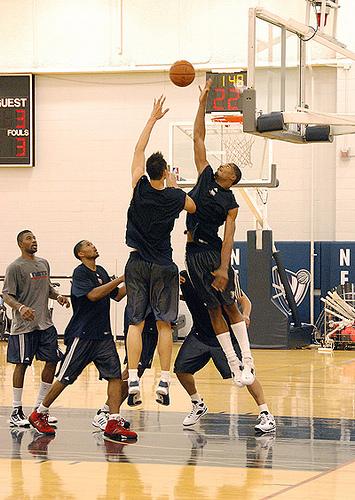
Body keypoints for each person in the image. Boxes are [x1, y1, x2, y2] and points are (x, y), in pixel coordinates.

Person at [28, 240, 137, 443]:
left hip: (103, 335)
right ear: (80, 253)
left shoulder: (102, 271)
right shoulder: (80, 273)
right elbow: (94, 295)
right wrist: (122, 277)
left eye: (93, 244)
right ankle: (39, 413)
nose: (94, 246)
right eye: (88, 245)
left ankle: (113, 420)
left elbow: (118, 295)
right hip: (83, 335)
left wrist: (136, 280)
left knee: (114, 376)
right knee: (65, 377)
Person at [125, 95, 196, 407]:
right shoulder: (173, 197)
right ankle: (164, 381)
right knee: (165, 324)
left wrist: (153, 117)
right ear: (165, 171)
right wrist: (175, 185)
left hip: (137, 262)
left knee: (135, 324)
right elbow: (193, 206)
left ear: (147, 171)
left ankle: (132, 378)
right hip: (163, 264)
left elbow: (139, 150)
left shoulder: (138, 186)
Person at [185, 79, 255, 386]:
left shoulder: (230, 201)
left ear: (232, 178)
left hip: (213, 252)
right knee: (212, 309)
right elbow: (198, 137)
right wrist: (202, 102)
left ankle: (248, 363)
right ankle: (233, 364)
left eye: (227, 165)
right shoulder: (204, 175)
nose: (221, 163)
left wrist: (224, 268)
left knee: (229, 305)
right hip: (192, 252)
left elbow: (228, 238)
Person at [175, 271, 276, 434]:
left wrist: (245, 315)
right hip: (200, 334)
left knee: (247, 377)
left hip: (226, 336)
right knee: (181, 370)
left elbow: (245, 300)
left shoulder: (221, 278)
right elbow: (188, 296)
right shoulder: (185, 277)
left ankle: (266, 414)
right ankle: (198, 404)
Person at [2, 230, 70, 428]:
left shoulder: (43, 263)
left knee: (52, 360)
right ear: (20, 243)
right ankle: (16, 410)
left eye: (35, 238)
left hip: (45, 324)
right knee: (22, 365)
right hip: (24, 326)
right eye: (29, 238)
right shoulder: (15, 267)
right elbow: (7, 295)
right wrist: (21, 308)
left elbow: (47, 288)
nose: (34, 241)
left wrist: (58, 296)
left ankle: (40, 409)